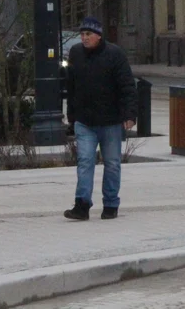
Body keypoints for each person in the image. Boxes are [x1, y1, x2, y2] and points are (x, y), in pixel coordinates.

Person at [63, 17, 137, 221]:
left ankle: (111, 204)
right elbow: (71, 86)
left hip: (111, 121)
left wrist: (130, 114)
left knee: (112, 163)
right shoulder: (76, 53)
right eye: (82, 34)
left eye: (89, 34)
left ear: (99, 35)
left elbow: (127, 86)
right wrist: (72, 115)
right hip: (85, 121)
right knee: (85, 161)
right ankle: (82, 204)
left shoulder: (115, 54)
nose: (84, 38)